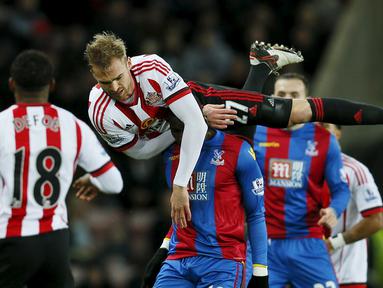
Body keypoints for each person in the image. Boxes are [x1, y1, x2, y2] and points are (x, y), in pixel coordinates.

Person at [85, 32, 383, 227]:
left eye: (119, 77)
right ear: (94, 76)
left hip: (198, 100)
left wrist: (180, 180)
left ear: (128, 62)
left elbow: (194, 122)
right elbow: (140, 152)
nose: (116, 87)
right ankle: (262, 66)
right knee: (238, 150)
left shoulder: (152, 68)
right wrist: (185, 124)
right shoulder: (100, 112)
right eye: (104, 82)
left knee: (288, 114)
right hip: (174, 137)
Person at [0, 50, 123, 288]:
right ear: (52, 85)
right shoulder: (73, 125)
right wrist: (92, 180)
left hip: (12, 238)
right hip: (55, 240)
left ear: (12, 84)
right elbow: (114, 183)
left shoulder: (2, 125)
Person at [251, 73, 350, 287]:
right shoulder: (255, 134)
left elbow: (341, 189)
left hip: (308, 243)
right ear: (272, 97)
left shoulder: (324, 140)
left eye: (295, 94)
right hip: (263, 245)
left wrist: (334, 210)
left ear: (307, 100)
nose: (287, 99)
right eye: (281, 94)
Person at [146, 114, 268, 288]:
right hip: (178, 260)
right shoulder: (170, 154)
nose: (179, 137)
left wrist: (261, 273)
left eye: (183, 130)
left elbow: (256, 215)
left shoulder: (238, 150)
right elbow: (182, 213)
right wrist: (163, 248)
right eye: (175, 130)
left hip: (222, 262)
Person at [323, 124, 383, 288]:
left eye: (324, 126)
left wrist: (333, 243)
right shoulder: (297, 167)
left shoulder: (355, 170)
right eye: (312, 127)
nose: (318, 132)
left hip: (346, 277)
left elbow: (376, 220)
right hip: (302, 273)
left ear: (338, 132)